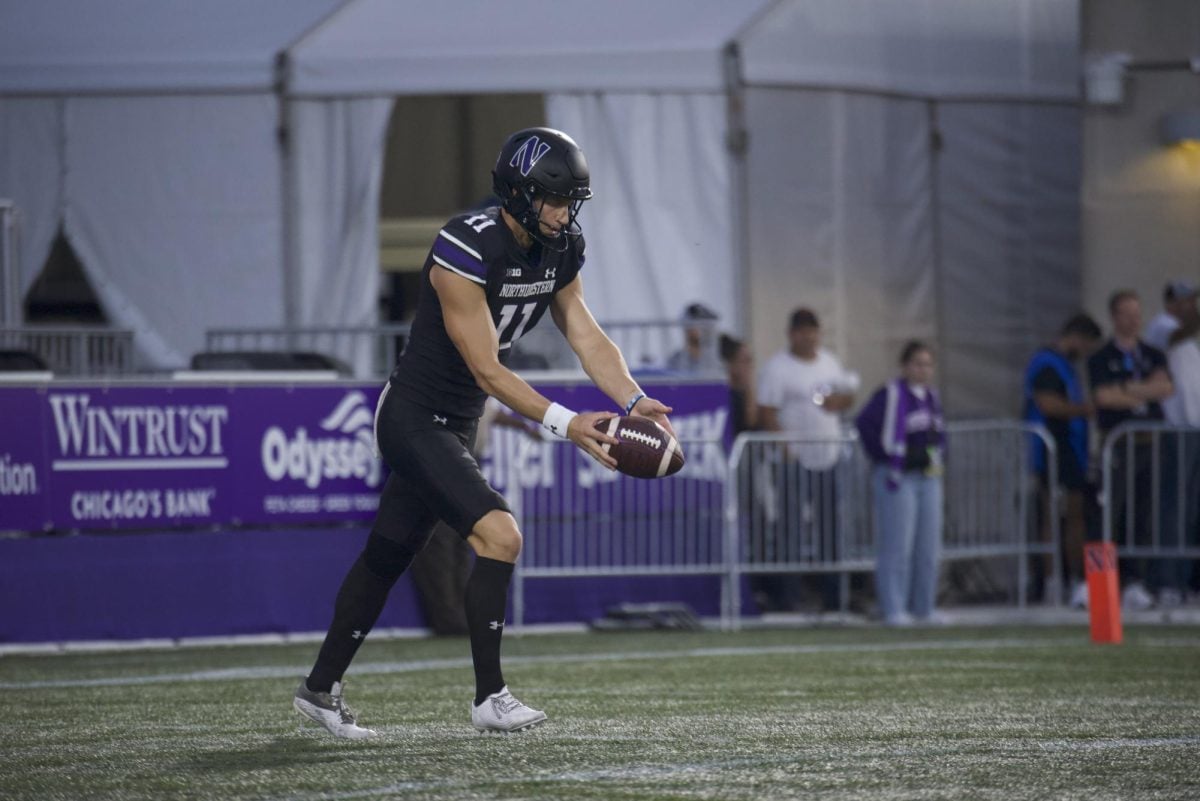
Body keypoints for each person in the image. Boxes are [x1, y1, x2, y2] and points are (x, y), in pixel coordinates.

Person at [293, 127, 675, 738]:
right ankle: (489, 697)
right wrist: (566, 423)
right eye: (554, 199)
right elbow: (486, 367)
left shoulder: (562, 245)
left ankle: (319, 690)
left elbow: (583, 331)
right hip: (415, 418)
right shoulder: (465, 246)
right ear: (519, 194)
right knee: (501, 536)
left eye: (571, 200)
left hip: (458, 423)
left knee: (386, 558)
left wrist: (631, 399)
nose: (564, 212)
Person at [756, 308, 859, 612]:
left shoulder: (829, 362)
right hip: (794, 459)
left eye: (812, 330)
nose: (808, 336)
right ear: (791, 334)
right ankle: (789, 597)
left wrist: (838, 401)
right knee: (791, 529)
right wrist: (783, 444)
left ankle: (834, 597)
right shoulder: (778, 368)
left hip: (828, 456)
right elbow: (767, 411)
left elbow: (847, 396)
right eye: (801, 331)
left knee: (830, 529)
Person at [1087, 289, 1174, 610]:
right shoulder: (1100, 356)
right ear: (1114, 316)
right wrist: (1143, 391)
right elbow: (1104, 398)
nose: (1134, 319)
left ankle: (1137, 581)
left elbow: (1166, 388)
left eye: (1138, 313)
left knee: (1144, 513)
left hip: (1149, 443)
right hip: (1117, 445)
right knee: (1109, 513)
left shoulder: (1152, 354)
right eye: (1127, 313)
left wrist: (1126, 388)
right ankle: (1098, 582)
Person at [855, 341, 946, 626]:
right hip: (897, 476)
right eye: (917, 363)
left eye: (928, 364)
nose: (923, 370)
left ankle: (924, 607)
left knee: (928, 545)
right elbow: (864, 423)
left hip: (927, 476)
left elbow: (939, 436)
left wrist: (935, 458)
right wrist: (885, 457)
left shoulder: (932, 397)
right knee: (897, 545)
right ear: (905, 366)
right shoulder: (891, 394)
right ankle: (894, 607)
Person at [1022, 313, 1103, 608]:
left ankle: (1070, 580)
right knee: (1060, 514)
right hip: (1054, 450)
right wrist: (1085, 410)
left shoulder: (1065, 366)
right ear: (1077, 338)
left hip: (1070, 449)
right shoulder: (1047, 363)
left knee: (1071, 514)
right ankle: (1056, 581)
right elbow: (1047, 403)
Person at [1143, 280, 1200, 605]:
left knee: (1189, 510)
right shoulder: (1162, 327)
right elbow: (1181, 332)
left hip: (1193, 428)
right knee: (1173, 507)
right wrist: (1193, 315)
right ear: (1170, 302)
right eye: (1185, 301)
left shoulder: (1189, 341)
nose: (1189, 306)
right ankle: (1166, 579)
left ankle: (1184, 579)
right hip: (1176, 430)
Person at [719, 333, 760, 436]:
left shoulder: (744, 393)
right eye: (745, 361)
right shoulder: (725, 397)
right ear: (731, 364)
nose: (750, 366)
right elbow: (749, 422)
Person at [666, 302, 722, 375]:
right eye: (699, 323)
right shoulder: (676, 360)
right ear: (687, 328)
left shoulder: (718, 358)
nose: (705, 328)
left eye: (706, 324)